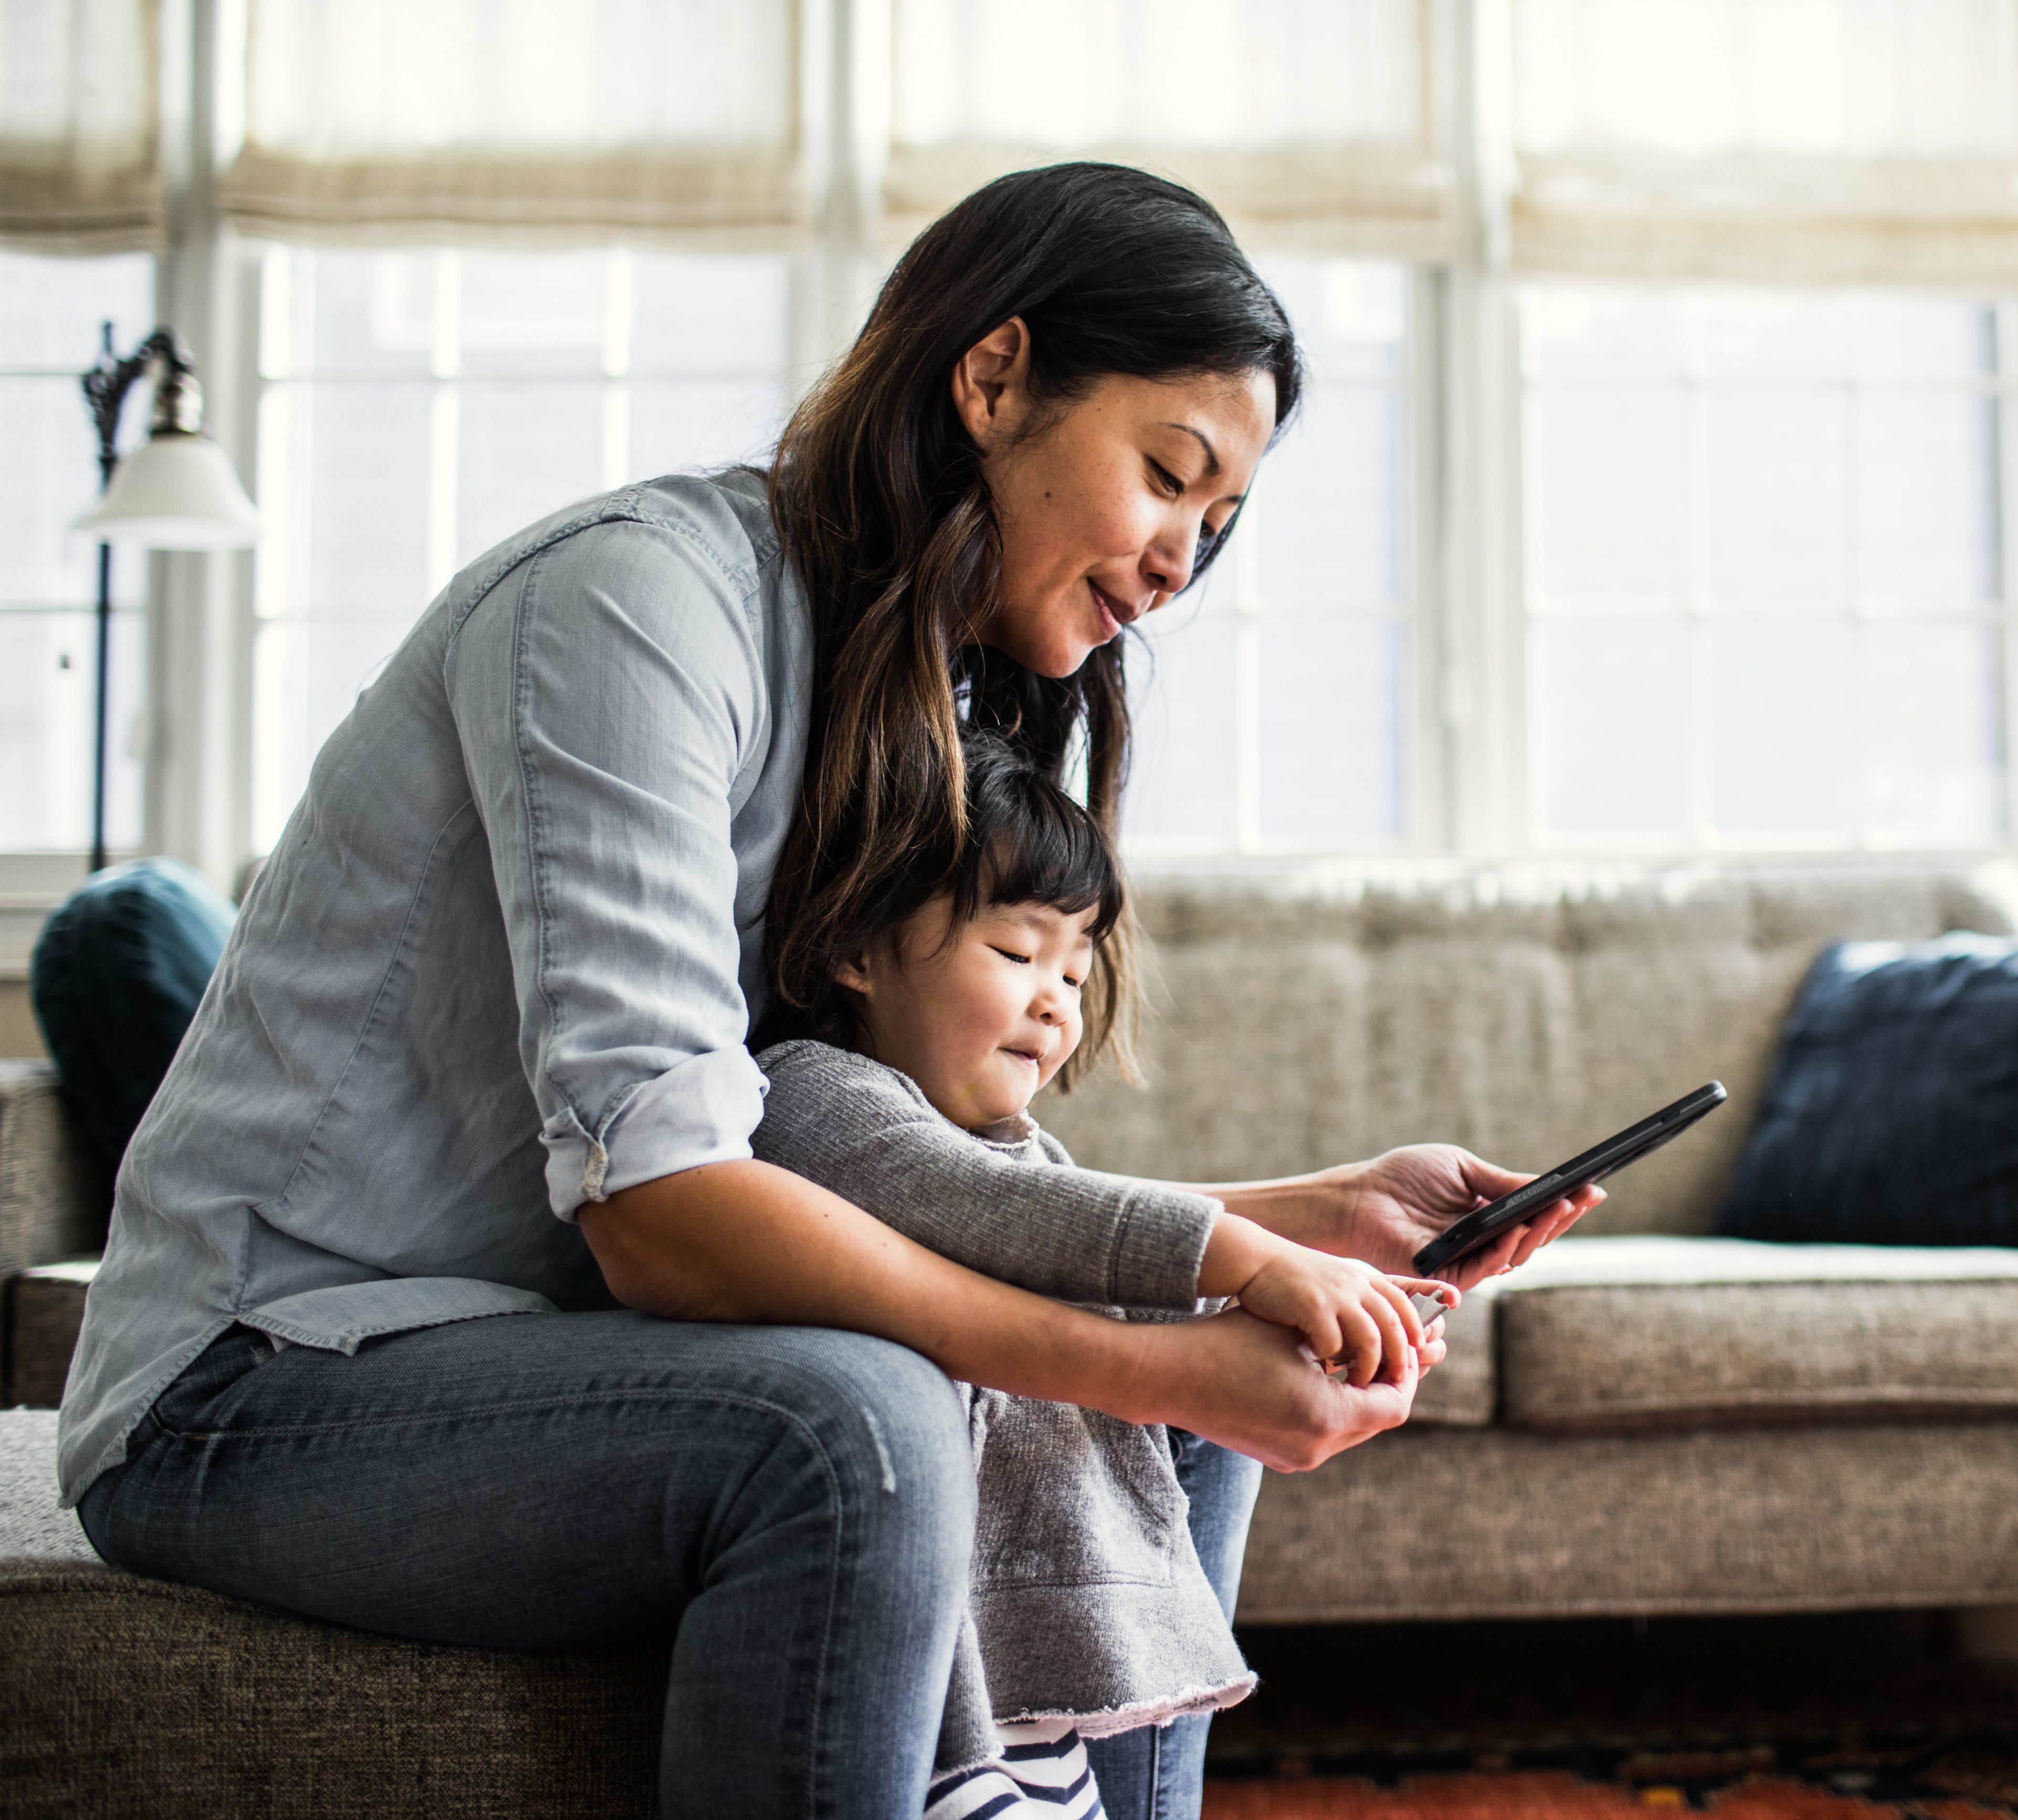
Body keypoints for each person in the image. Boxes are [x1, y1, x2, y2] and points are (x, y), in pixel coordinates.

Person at [56, 162, 1592, 1820]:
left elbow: (865, 1162)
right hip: (257, 1377)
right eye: (1169, 475)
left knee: (1191, 1335)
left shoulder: (912, 692)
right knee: (848, 1427)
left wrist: (1306, 1225)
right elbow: (667, 1207)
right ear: (994, 377)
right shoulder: (637, 603)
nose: (1175, 566)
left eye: (1216, 527)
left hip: (537, 1337)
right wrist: (1146, 1365)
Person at [751, 727, 1460, 1818]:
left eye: (1074, 970)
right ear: (857, 948)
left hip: (1034, 1695)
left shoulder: (1025, 1147)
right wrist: (1256, 1257)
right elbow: (1005, 1213)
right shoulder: (808, 1092)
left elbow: (1080, 1241)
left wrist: (1346, 1305)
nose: (1055, 1002)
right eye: (1015, 952)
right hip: (954, 1714)